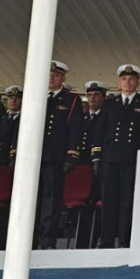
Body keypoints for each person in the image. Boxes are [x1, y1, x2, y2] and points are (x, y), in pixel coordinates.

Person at [92, 64, 140, 247]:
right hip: (110, 158)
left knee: (128, 200)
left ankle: (126, 240)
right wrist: (96, 156)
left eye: (131, 79)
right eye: (124, 80)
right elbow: (99, 132)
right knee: (109, 200)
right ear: (119, 83)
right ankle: (107, 240)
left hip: (132, 158)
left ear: (138, 82)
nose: (128, 82)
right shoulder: (110, 104)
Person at [35, 61, 85, 249]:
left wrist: (71, 155)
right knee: (33, 199)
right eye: (49, 74)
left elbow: (75, 130)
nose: (51, 77)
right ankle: (30, 238)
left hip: (55, 157)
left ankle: (47, 239)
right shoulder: (35, 95)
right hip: (33, 158)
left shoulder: (71, 100)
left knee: (51, 199)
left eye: (56, 75)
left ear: (63, 78)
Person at [0, 86, 23, 164]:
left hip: (18, 158)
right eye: (11, 98)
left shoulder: (25, 119)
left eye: (17, 98)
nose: (13, 101)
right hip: (1, 158)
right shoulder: (0, 118)